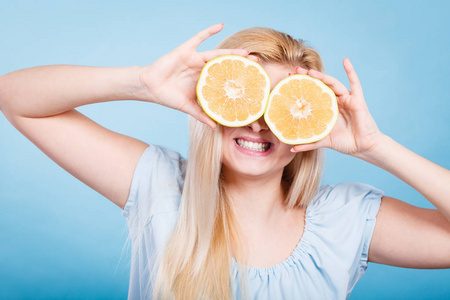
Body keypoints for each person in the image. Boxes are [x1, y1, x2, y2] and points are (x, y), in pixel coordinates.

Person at [0, 23, 449, 300]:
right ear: (213, 106)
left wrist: (376, 146)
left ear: (308, 124)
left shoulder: (343, 220)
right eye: (244, 101)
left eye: (281, 106)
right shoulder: (160, 187)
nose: (258, 124)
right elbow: (16, 98)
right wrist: (141, 84)